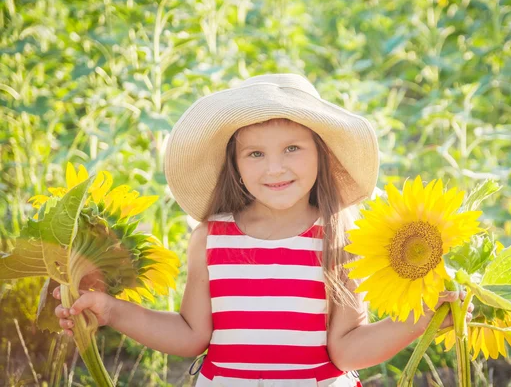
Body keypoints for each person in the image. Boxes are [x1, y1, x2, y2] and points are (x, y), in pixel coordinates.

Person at [53, 74, 473, 386]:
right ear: (234, 164)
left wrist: (418, 322)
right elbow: (189, 334)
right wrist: (112, 310)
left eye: (292, 148)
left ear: (321, 154)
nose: (275, 168)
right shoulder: (211, 237)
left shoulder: (342, 236)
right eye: (255, 153)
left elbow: (347, 350)